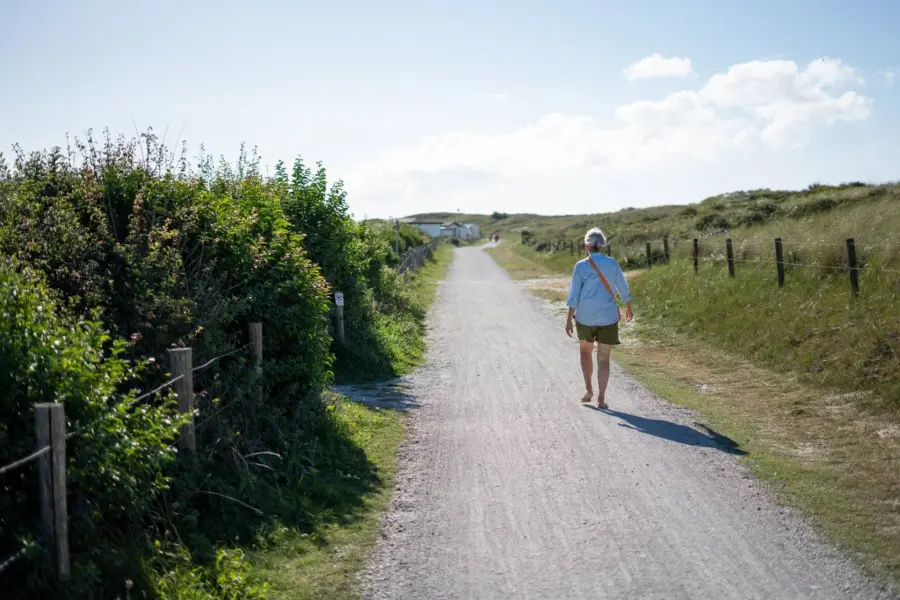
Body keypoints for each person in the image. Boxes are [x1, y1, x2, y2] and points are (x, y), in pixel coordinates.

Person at [565, 228, 633, 409]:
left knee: (585, 353)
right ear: (602, 246)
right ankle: (601, 398)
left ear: (586, 246)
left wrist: (569, 318)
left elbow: (574, 295)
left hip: (585, 317)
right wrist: (628, 305)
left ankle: (589, 390)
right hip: (608, 317)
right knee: (603, 359)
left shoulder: (580, 266)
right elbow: (622, 286)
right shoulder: (612, 263)